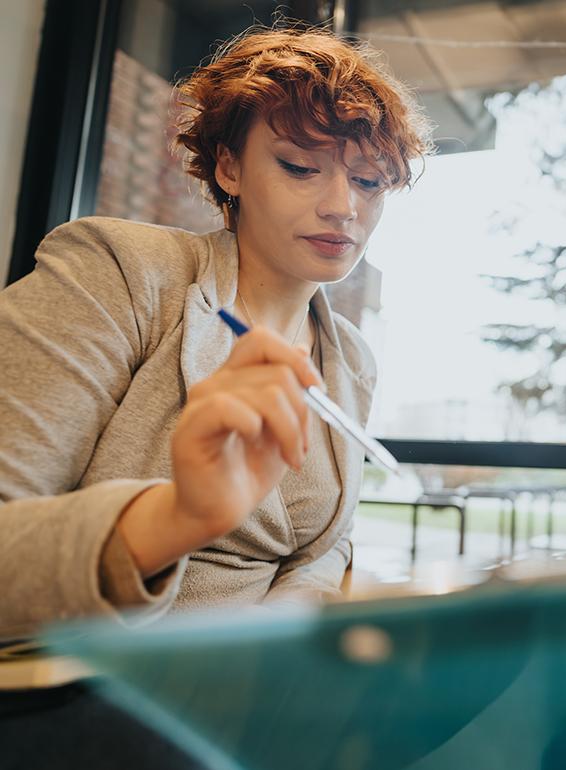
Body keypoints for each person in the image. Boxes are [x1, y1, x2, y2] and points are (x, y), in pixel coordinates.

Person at [0, 24, 430, 767]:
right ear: (228, 168)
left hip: (249, 696)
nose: (342, 208)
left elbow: (323, 554)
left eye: (367, 182)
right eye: (300, 167)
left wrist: (265, 682)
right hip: (87, 689)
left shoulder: (349, 358)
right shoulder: (120, 275)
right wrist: (174, 517)